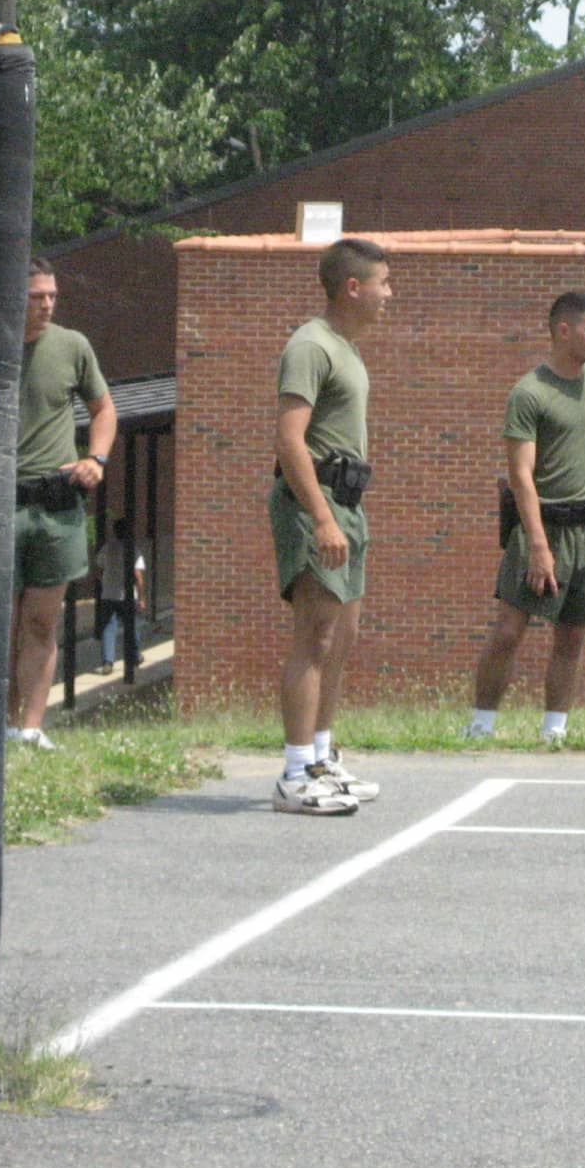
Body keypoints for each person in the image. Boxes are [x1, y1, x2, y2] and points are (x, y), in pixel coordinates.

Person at [463, 292, 585, 746]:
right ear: (564, 331)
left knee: (572, 634)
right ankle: (480, 726)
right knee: (509, 630)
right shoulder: (530, 392)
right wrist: (538, 546)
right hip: (544, 527)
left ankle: (554, 730)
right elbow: (520, 476)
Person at [270, 238, 392, 815]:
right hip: (316, 503)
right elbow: (290, 439)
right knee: (314, 638)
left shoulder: (346, 348)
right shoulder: (310, 346)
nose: (388, 295)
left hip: (350, 503)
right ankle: (295, 774)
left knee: (341, 639)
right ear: (353, 287)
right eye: (383, 284)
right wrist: (321, 516)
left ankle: (321, 757)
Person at [7, 255, 116, 750]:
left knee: (41, 620)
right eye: (35, 296)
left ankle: (32, 727)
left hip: (57, 503)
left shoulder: (73, 346)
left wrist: (97, 457)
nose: (46, 304)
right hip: (3, 503)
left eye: (51, 295)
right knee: (2, 621)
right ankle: (0, 726)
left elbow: (103, 408)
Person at [93, 515, 147, 671]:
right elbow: (138, 576)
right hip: (127, 595)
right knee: (132, 627)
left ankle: (107, 662)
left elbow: (99, 567)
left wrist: (103, 583)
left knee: (108, 627)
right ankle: (135, 656)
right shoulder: (133, 549)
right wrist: (142, 598)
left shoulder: (107, 547)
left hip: (108, 593)